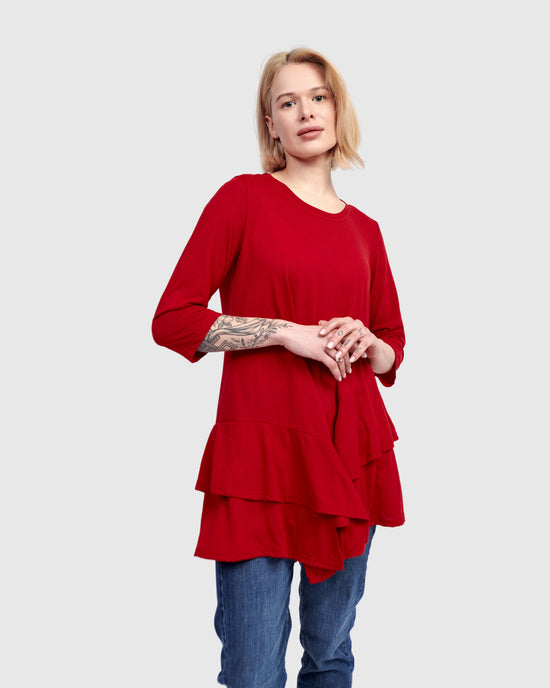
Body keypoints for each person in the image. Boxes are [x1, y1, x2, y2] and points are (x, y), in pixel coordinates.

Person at [152, 47, 405, 688]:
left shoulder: (367, 230)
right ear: (271, 124)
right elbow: (173, 318)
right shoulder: (243, 199)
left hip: (350, 453)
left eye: (318, 97)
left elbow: (392, 345)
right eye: (287, 102)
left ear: (337, 110)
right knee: (252, 671)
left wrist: (368, 342)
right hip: (259, 460)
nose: (305, 112)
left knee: (330, 657)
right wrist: (284, 333)